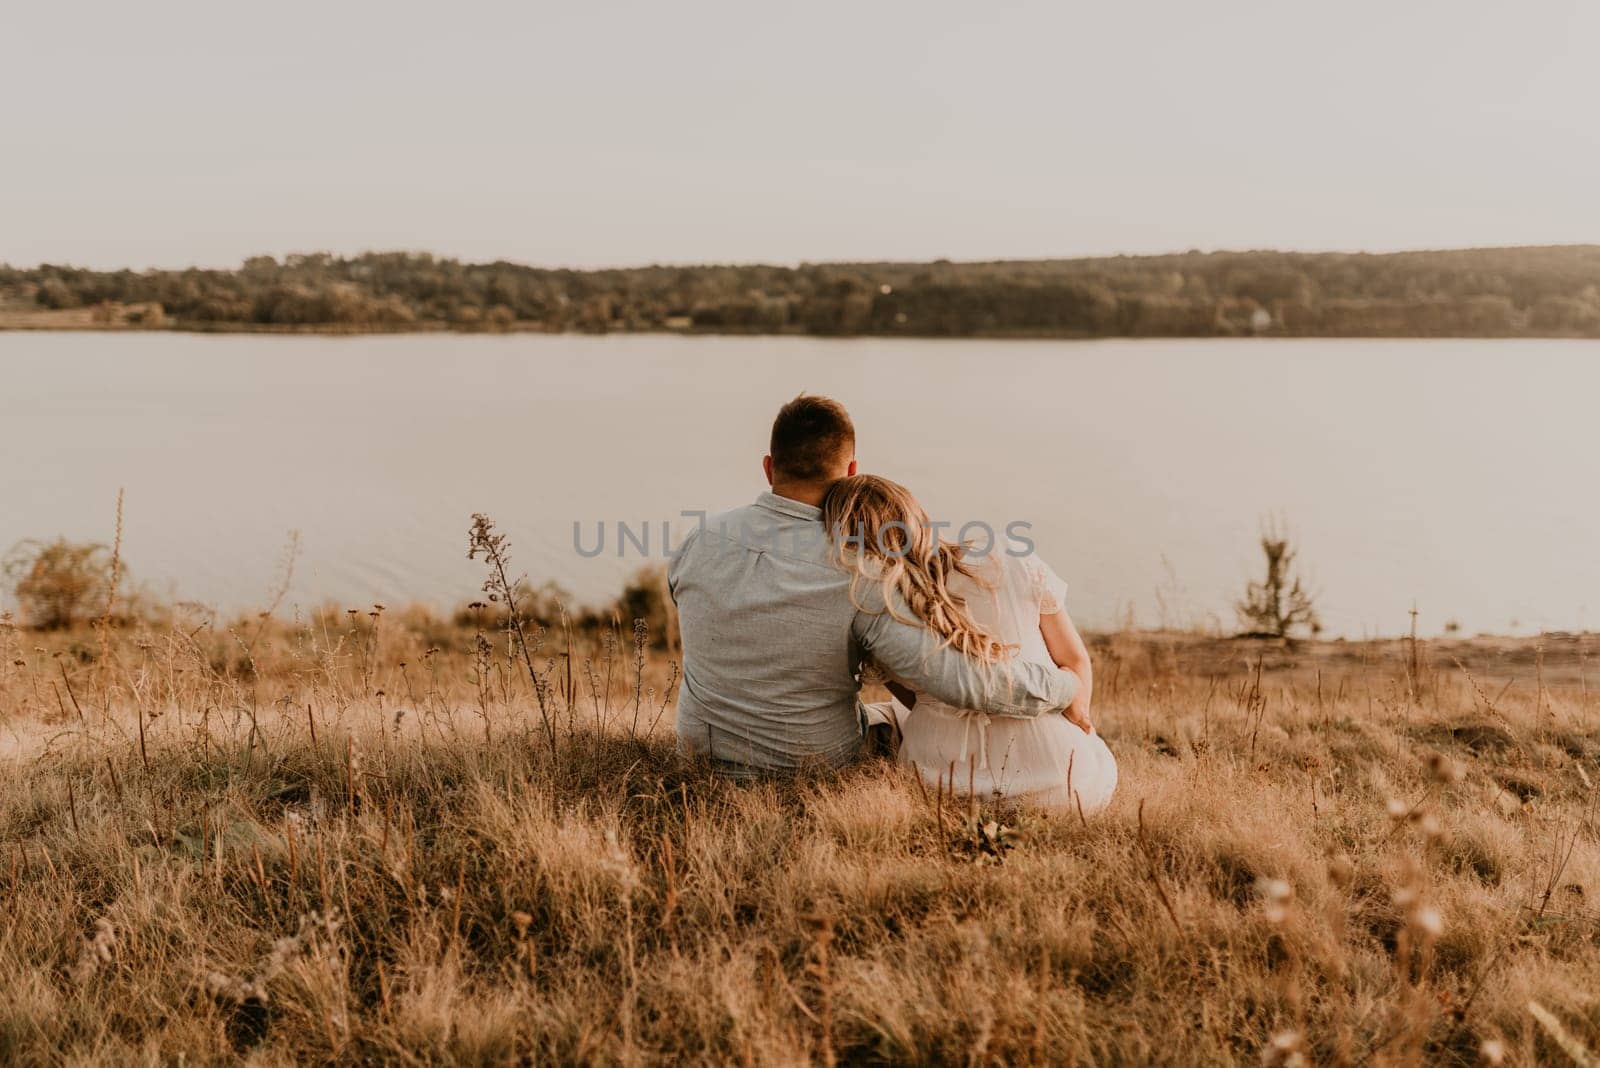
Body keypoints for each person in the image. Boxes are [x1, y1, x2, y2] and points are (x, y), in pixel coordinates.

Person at [668, 395, 1079, 777]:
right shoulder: (860, 571)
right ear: (851, 472)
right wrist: (1066, 684)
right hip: (811, 765)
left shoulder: (697, 540)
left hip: (699, 754)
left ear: (769, 467)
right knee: (904, 720)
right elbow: (961, 681)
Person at [821, 474, 1116, 813]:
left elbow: (916, 701)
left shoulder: (875, 606)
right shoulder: (1009, 554)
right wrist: (1079, 717)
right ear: (919, 517)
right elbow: (1075, 659)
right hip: (1063, 786)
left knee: (889, 713)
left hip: (939, 787)